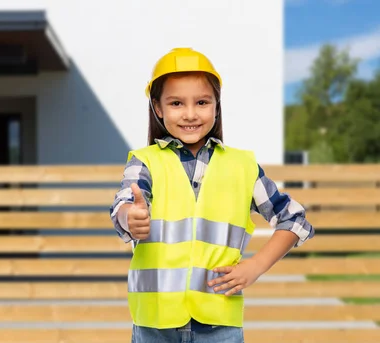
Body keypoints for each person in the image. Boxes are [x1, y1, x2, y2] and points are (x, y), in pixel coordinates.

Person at [109, 47, 314, 343]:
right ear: (158, 108)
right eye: (176, 103)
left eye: (202, 102)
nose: (190, 114)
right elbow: (124, 204)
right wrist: (132, 218)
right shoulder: (144, 161)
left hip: (220, 325)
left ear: (216, 106)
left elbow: (293, 219)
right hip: (154, 324)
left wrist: (255, 267)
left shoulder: (242, 166)